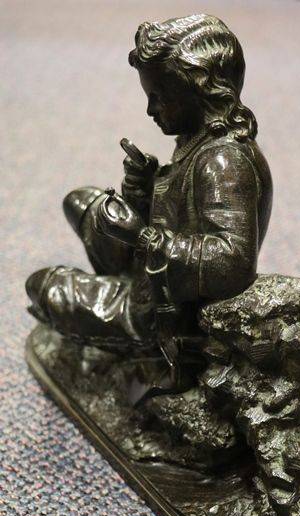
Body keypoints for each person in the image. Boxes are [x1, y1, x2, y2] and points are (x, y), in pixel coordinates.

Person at [26, 14, 273, 390]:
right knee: (79, 202)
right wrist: (144, 187)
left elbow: (232, 264)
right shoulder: (198, 139)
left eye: (160, 97)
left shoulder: (224, 161)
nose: (150, 110)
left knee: (44, 285)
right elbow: (182, 213)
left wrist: (142, 236)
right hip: (154, 266)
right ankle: (116, 272)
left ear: (200, 93)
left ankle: (136, 350)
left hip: (163, 309)